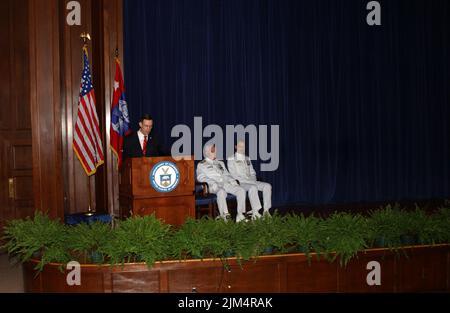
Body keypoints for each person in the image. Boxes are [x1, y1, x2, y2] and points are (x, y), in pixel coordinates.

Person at [197, 144, 247, 222]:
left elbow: (227, 174)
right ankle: (225, 215)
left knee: (241, 190)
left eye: (215, 149)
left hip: (225, 183)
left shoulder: (220, 163)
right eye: (213, 150)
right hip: (213, 185)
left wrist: (232, 181)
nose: (215, 151)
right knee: (221, 191)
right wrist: (212, 182)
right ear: (207, 151)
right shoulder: (202, 164)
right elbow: (201, 177)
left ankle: (240, 215)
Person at [227, 140, 272, 218]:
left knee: (267, 186)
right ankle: (255, 212)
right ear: (235, 147)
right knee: (252, 187)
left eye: (243, 146)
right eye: (240, 146)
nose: (242, 148)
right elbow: (233, 175)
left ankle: (266, 211)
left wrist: (252, 179)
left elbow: (252, 172)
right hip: (241, 183)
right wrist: (247, 181)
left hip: (251, 181)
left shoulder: (247, 158)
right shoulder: (231, 158)